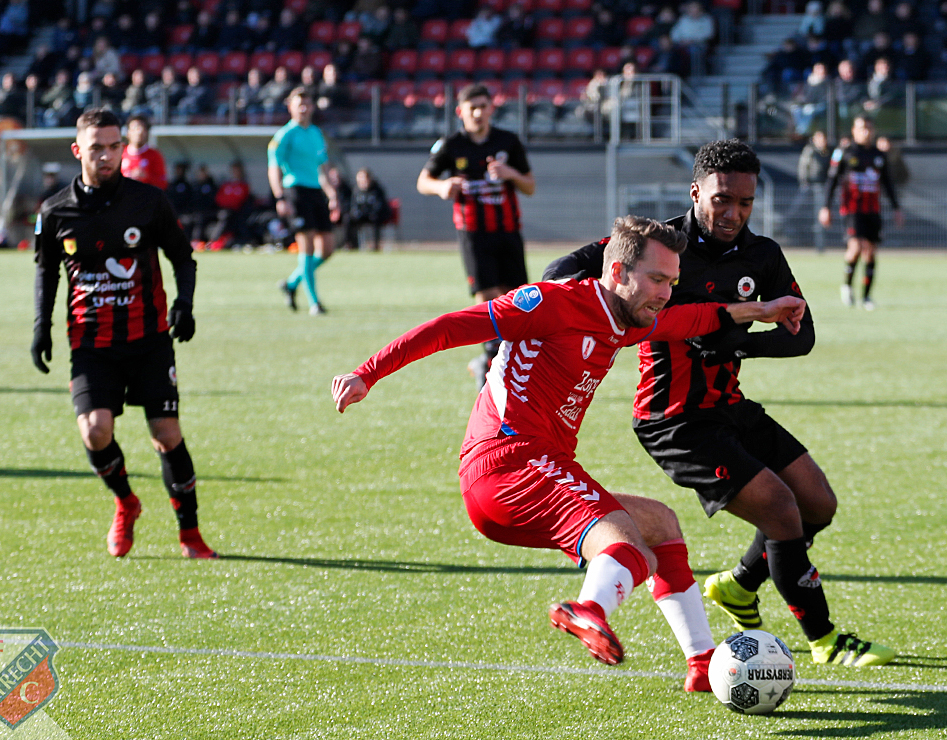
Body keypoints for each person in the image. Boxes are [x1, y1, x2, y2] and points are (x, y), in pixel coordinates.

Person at [331, 215, 806, 687]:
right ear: (617, 272)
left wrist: (761, 310)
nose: (665, 292)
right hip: (506, 462)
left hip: (537, 468)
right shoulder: (551, 303)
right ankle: (588, 609)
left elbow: (691, 318)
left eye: (672, 281)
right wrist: (366, 373)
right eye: (657, 279)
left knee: (660, 524)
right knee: (623, 544)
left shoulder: (626, 319)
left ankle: (702, 664)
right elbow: (449, 328)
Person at [543, 139, 897, 668]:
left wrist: (740, 342)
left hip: (729, 405)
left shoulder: (763, 255)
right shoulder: (659, 244)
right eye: (722, 200)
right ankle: (825, 639)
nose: (733, 213)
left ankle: (738, 586)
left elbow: (802, 335)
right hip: (673, 419)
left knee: (817, 504)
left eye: (745, 202)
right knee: (780, 509)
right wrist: (581, 305)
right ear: (695, 192)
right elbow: (562, 269)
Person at [31, 108, 215, 560]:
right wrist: (42, 328)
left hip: (149, 337)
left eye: (116, 146)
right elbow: (46, 272)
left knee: (166, 434)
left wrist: (184, 305)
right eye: (98, 148)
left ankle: (190, 534)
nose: (109, 155)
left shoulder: (148, 201)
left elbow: (182, 257)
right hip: (92, 341)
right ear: (79, 151)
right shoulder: (55, 211)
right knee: (95, 432)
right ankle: (126, 502)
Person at [417, 84, 536, 388]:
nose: (479, 113)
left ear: (492, 109)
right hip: (473, 233)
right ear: (461, 112)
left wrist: (511, 174)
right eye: (473, 108)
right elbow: (423, 180)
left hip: (508, 231)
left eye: (484, 106)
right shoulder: (450, 145)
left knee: (516, 301)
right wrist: (442, 187)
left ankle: (508, 364)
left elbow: (530, 186)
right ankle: (490, 367)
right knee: (488, 300)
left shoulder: (508, 142)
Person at [269, 86, 341, 315]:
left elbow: (323, 166)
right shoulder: (284, 135)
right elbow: (274, 168)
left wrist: (332, 195)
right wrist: (280, 196)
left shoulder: (316, 133)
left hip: (315, 192)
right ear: (290, 106)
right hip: (295, 192)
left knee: (327, 249)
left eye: (307, 103)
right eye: (298, 103)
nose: (303, 107)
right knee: (307, 246)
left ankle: (291, 284)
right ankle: (314, 303)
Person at [821, 116, 902, 311]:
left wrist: (896, 208)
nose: (866, 132)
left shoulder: (879, 155)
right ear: (854, 130)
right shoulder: (845, 153)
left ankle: (866, 297)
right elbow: (831, 181)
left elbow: (888, 183)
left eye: (869, 128)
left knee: (871, 252)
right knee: (856, 246)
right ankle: (847, 286)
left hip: (873, 210)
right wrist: (826, 207)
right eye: (861, 128)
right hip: (852, 209)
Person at [347, 167, 390, 252]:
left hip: (374, 215)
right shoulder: (356, 190)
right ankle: (351, 245)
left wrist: (372, 212)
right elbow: (353, 204)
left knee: (375, 220)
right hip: (361, 215)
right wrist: (356, 212)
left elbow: (380, 205)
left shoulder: (377, 189)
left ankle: (375, 246)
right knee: (348, 219)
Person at [120, 115, 167, 190]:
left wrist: (146, 177)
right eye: (135, 128)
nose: (139, 132)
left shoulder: (155, 155)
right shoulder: (120, 154)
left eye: (143, 128)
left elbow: (162, 184)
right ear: (128, 133)